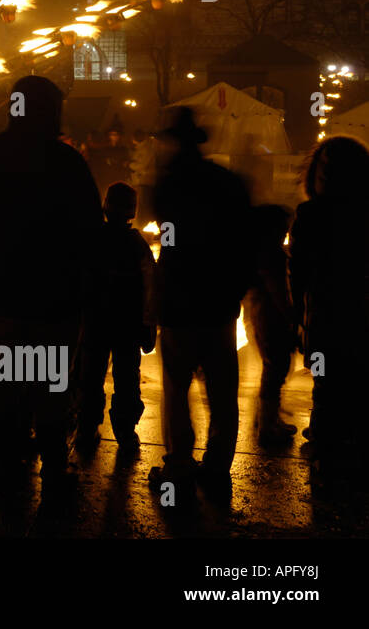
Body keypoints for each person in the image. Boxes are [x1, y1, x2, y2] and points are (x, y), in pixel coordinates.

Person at [0, 75, 103, 494]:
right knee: (53, 381)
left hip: (2, 291)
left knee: (8, 380)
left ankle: (7, 457)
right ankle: (54, 463)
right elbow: (91, 229)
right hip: (57, 294)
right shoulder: (67, 162)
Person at [148, 106, 252, 503]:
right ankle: (217, 467)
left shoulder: (168, 186)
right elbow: (242, 240)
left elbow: (169, 243)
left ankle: (178, 466)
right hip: (218, 300)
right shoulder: (226, 182)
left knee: (176, 388)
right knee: (222, 389)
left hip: (180, 300)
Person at [289, 136, 369, 460]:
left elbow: (298, 271)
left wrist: (295, 314)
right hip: (356, 312)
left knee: (325, 381)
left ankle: (326, 437)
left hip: (324, 314)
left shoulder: (310, 214)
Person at [76, 182, 156, 452]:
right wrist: (149, 326)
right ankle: (125, 431)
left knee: (90, 376)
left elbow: (78, 281)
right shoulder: (137, 246)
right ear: (132, 212)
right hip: (128, 325)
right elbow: (149, 286)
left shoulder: (90, 239)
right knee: (126, 379)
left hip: (95, 323)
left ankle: (86, 428)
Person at [243, 204, 298, 448]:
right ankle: (267, 425)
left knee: (273, 368)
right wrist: (290, 315)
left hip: (259, 315)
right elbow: (277, 290)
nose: (286, 232)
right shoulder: (271, 254)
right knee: (276, 368)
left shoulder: (257, 252)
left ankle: (268, 420)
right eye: (284, 228)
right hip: (269, 317)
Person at [88, 126, 132, 197]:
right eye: (111, 135)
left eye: (115, 135)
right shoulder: (105, 148)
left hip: (118, 177)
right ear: (109, 136)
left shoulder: (123, 149)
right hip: (106, 178)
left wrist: (121, 163)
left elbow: (125, 162)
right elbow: (99, 161)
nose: (114, 137)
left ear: (119, 136)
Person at [128, 129, 156, 224]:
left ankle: (143, 224)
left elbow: (141, 165)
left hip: (143, 181)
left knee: (142, 206)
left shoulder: (146, 149)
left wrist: (129, 164)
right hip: (139, 181)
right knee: (140, 205)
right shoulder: (141, 148)